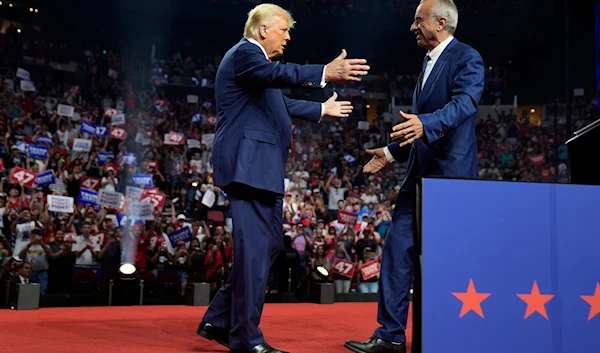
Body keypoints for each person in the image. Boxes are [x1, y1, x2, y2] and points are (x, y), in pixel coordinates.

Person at [196, 3, 370, 353]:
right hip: (249, 168)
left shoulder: (258, 68)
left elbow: (280, 101)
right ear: (262, 29)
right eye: (284, 29)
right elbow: (281, 79)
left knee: (268, 247)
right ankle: (245, 339)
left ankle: (219, 318)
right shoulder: (246, 55)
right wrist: (324, 71)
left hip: (261, 170)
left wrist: (321, 108)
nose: (288, 36)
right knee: (255, 254)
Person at [344, 1, 484, 352]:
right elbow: (418, 129)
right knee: (395, 251)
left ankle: (452, 335)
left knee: (446, 259)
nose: (412, 27)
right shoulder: (427, 62)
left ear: (440, 22)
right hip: (417, 178)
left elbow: (466, 104)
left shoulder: (467, 57)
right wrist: (391, 152)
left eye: (418, 20)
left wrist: (427, 122)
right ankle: (390, 337)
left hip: (449, 179)